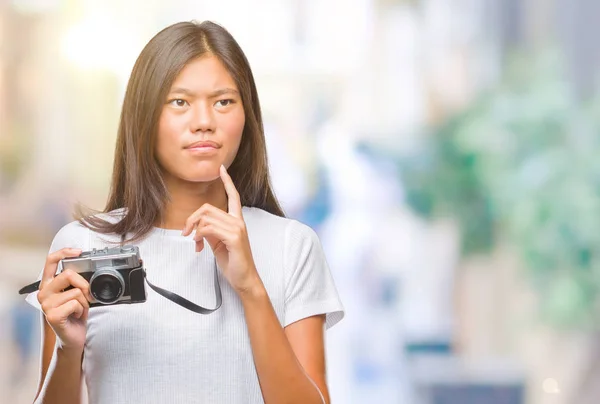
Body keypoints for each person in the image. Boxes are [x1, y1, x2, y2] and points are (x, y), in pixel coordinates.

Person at [25, 20, 344, 404]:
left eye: (224, 101)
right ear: (144, 116)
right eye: (180, 102)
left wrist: (251, 288)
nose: (204, 122)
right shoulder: (82, 246)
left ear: (247, 117)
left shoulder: (292, 246)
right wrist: (68, 348)